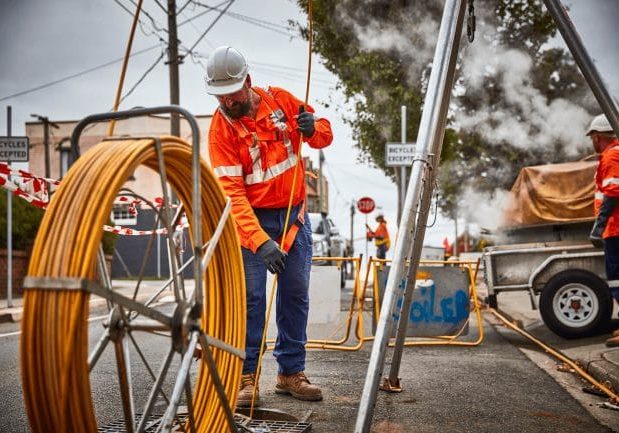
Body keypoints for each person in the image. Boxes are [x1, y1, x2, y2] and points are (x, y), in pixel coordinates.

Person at [205, 46, 333, 406]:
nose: (228, 102)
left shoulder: (281, 101)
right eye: (221, 96)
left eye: (233, 94)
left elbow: (324, 134)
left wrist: (313, 127)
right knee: (251, 299)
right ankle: (246, 376)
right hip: (252, 222)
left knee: (295, 294)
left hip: (293, 217)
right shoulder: (221, 130)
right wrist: (259, 241)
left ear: (247, 81)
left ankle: (290, 373)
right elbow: (232, 195)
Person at [587, 113, 619, 347]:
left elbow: (612, 193)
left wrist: (598, 227)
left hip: (616, 230)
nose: (592, 142)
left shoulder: (612, 155)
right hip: (614, 229)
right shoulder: (613, 154)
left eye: (592, 137)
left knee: (617, 278)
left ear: (598, 137)